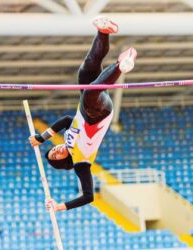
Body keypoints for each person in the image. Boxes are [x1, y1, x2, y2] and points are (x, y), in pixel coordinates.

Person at [29, 16, 137, 212]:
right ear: (63, 162)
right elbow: (89, 197)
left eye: (53, 150)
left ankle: (104, 32)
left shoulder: (69, 138)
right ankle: (121, 66)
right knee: (90, 92)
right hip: (98, 115)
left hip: (86, 107)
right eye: (56, 156)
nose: (57, 150)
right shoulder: (81, 163)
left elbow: (66, 120)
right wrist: (61, 206)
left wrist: (41, 138)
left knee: (87, 69)